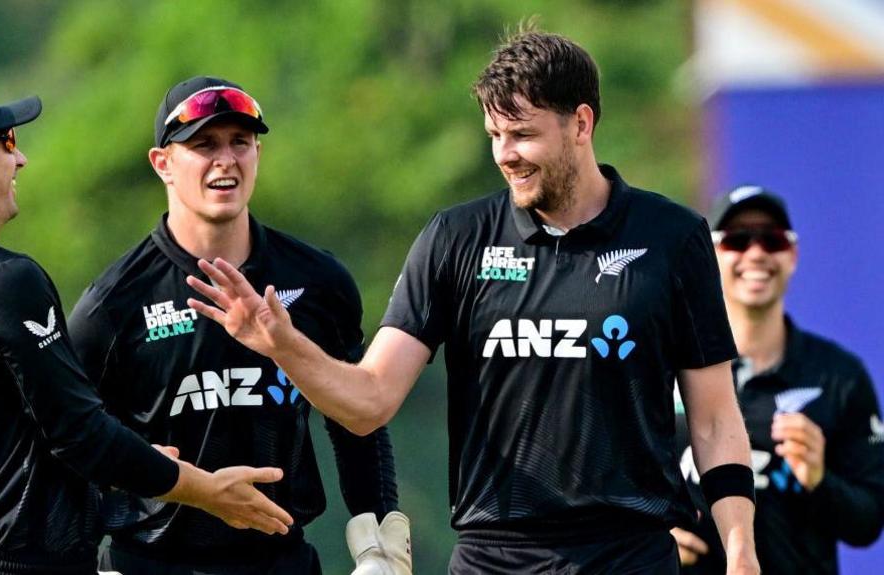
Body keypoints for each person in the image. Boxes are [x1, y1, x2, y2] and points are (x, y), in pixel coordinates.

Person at [187, 28, 760, 574]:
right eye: (494, 136)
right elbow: (370, 401)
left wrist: (740, 552)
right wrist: (282, 345)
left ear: (581, 123)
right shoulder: (456, 238)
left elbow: (712, 419)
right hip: (494, 555)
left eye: (523, 134)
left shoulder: (673, 238)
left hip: (630, 555)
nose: (505, 154)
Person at [0, 77, 293, 575]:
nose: (20, 160)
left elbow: (18, 455)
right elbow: (81, 434)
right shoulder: (2, 280)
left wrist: (133, 466)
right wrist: (205, 489)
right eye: (7, 142)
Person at [67, 76, 410, 575]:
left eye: (240, 143)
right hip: (151, 563)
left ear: (258, 154)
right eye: (204, 145)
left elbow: (356, 421)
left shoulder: (316, 281)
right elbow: (72, 445)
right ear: (162, 164)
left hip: (282, 561)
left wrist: (376, 540)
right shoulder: (112, 305)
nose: (225, 160)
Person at [672, 186, 884, 574]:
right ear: (709, 257)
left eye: (772, 240)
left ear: (792, 255)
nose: (756, 254)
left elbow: (868, 523)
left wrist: (821, 480)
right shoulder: (666, 368)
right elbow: (601, 487)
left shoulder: (838, 376)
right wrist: (649, 536)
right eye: (737, 240)